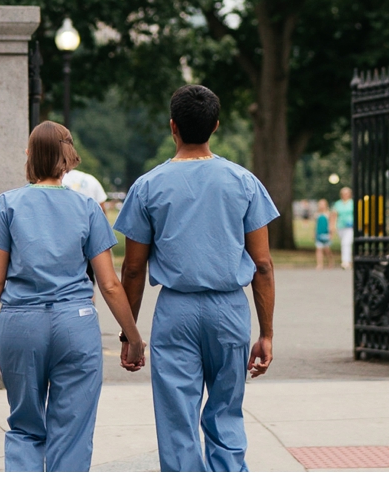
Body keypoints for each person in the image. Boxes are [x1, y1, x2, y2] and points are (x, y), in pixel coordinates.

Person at [114, 85, 279, 472]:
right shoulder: (243, 182)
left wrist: (130, 334)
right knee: (226, 411)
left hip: (177, 310)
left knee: (177, 419)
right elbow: (264, 264)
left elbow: (134, 268)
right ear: (216, 127)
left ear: (173, 126)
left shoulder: (147, 186)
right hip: (229, 310)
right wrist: (266, 333)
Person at [0, 122, 147, 471]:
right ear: (67, 158)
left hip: (20, 323)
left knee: (24, 426)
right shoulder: (87, 208)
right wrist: (133, 337)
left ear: (29, 156)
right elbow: (110, 285)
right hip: (76, 323)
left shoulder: (7, 204)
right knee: (71, 431)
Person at [332, 186, 354, 270]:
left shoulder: (352, 203)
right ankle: (349, 260)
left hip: (350, 227)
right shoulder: (338, 204)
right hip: (340, 226)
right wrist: (333, 226)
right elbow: (334, 215)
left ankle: (345, 261)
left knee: (346, 243)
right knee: (346, 243)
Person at [314, 200, 332, 269]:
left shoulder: (327, 214)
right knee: (319, 249)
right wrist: (314, 233)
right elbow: (316, 224)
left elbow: (330, 224)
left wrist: (331, 234)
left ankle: (330, 261)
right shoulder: (317, 214)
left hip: (326, 234)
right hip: (319, 233)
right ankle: (319, 264)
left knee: (327, 250)